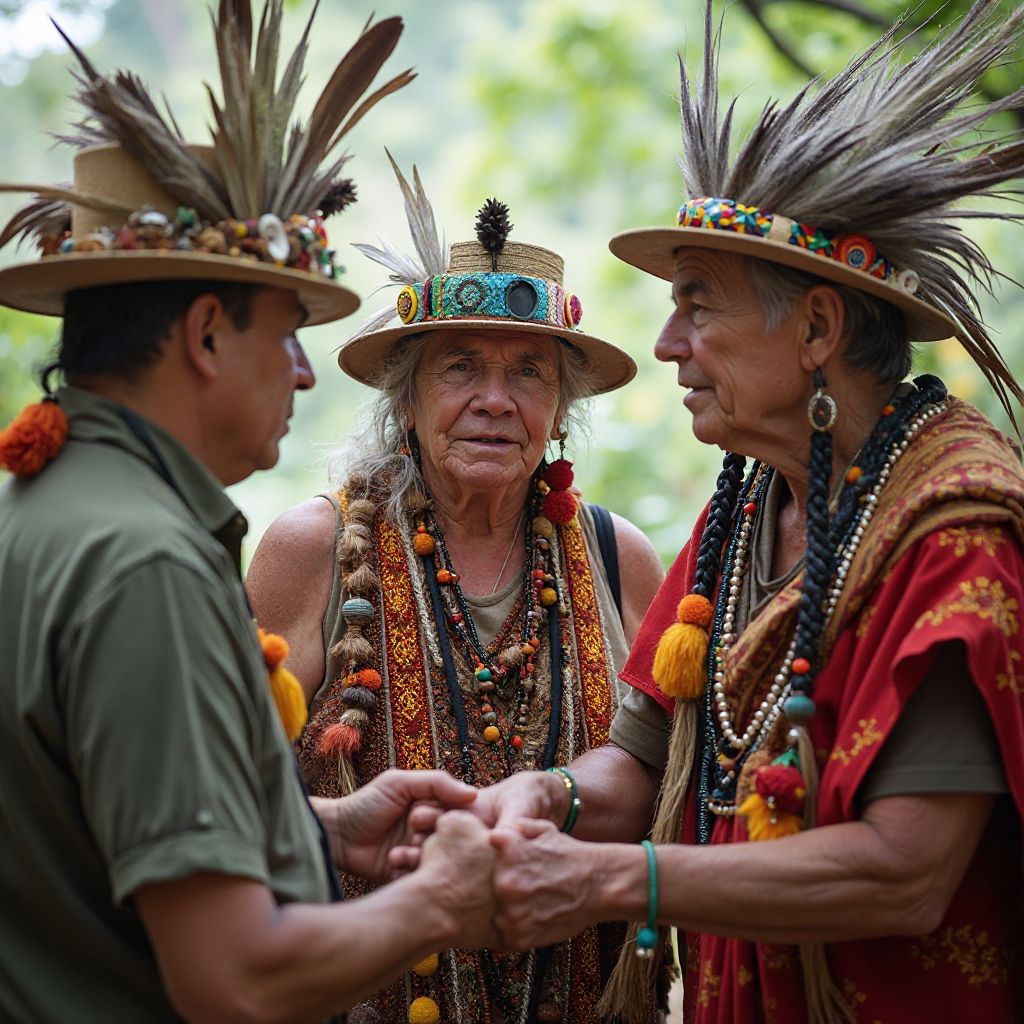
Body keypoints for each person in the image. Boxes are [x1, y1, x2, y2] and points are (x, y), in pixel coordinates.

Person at [440, 3, 1024, 1022]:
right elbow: (644, 761)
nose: (667, 344)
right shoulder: (747, 502)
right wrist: (551, 798)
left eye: (696, 303)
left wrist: (619, 882)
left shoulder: (953, 533)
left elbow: (906, 871)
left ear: (815, 327)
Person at [0, 6, 498, 1023]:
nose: (305, 373)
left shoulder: (40, 509)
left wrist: (318, 832)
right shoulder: (145, 566)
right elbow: (232, 976)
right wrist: (443, 900)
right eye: (285, 332)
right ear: (204, 337)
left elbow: (99, 828)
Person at [246, 158, 666, 1022]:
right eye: (459, 368)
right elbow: (227, 786)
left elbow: (660, 777)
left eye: (530, 374)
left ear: (560, 407)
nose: (495, 400)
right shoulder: (315, 548)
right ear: (406, 399)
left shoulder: (618, 557)